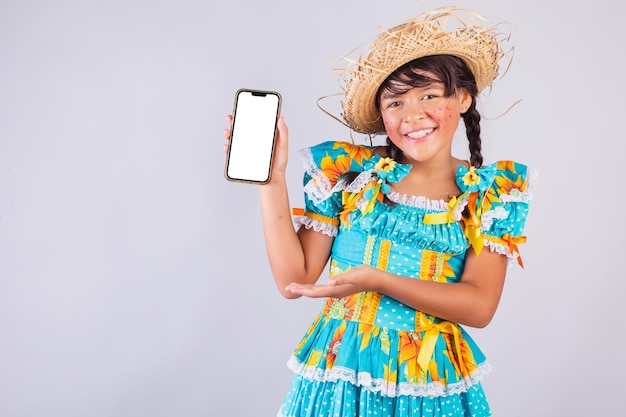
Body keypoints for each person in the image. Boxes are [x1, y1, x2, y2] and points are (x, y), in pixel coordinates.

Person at [224, 5, 535, 417]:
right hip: (340, 372)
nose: (413, 116)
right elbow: (293, 280)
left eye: (429, 95)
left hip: (427, 381)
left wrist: (378, 280)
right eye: (396, 102)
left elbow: (479, 308)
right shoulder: (351, 175)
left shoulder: (489, 194)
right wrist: (271, 182)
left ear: (462, 98)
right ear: (381, 114)